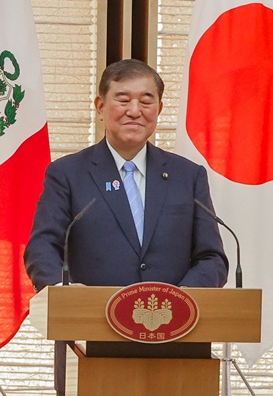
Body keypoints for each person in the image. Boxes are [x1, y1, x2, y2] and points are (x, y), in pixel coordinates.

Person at [25, 58, 227, 289]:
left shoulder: (188, 176)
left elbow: (212, 258)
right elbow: (43, 246)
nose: (134, 111)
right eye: (123, 100)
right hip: (91, 318)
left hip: (171, 320)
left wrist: (181, 299)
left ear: (159, 109)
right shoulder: (68, 174)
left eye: (146, 101)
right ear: (100, 107)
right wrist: (65, 292)